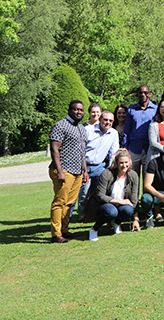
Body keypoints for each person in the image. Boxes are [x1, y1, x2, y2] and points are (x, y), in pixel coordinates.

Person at [48, 100, 88, 243]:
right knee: (60, 202)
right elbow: (54, 149)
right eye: (76, 109)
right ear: (70, 110)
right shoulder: (60, 125)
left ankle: (64, 230)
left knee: (70, 203)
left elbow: (82, 151)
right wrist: (60, 171)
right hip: (64, 170)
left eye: (81, 110)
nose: (79, 112)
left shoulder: (81, 128)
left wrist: (85, 170)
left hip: (78, 171)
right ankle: (56, 233)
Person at [75, 109, 119, 221]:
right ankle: (80, 214)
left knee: (98, 193)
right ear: (99, 120)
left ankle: (91, 214)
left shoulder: (113, 133)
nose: (107, 122)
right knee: (83, 192)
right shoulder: (88, 130)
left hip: (99, 167)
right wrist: (83, 169)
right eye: (105, 120)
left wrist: (110, 171)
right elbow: (80, 150)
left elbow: (113, 153)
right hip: (84, 165)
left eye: (110, 121)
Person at [89, 149, 139, 241]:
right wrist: (121, 201)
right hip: (104, 204)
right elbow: (100, 195)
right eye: (121, 163)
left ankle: (117, 223)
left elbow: (134, 200)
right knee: (112, 212)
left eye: (126, 162)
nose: (124, 165)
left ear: (130, 162)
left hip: (121, 205)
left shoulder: (133, 175)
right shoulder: (106, 174)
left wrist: (136, 219)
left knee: (128, 210)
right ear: (116, 163)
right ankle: (94, 229)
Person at [123, 85, 158, 174]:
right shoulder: (131, 109)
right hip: (134, 149)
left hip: (149, 149)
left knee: (148, 179)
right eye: (140, 93)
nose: (143, 95)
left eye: (145, 93)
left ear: (149, 94)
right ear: (137, 94)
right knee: (132, 178)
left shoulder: (155, 109)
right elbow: (127, 130)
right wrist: (125, 148)